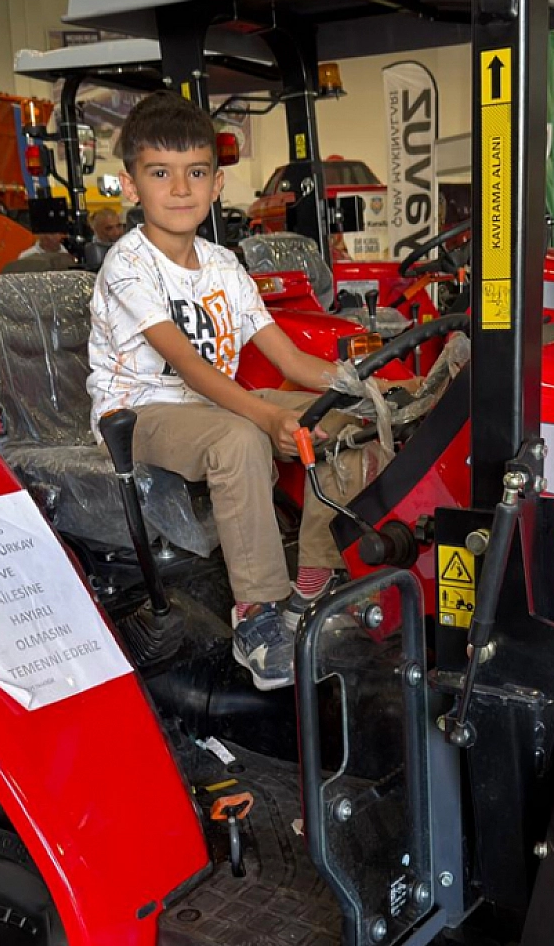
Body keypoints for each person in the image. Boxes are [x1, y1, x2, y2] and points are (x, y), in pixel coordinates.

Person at [87, 91, 392, 691]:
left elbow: (293, 360)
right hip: (140, 413)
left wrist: (372, 385)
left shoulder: (224, 265)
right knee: (238, 439)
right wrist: (264, 418)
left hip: (208, 404)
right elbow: (188, 365)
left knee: (344, 418)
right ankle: (257, 616)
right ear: (130, 186)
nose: (180, 189)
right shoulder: (128, 265)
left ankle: (314, 571)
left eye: (195, 173)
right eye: (160, 174)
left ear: (217, 183)